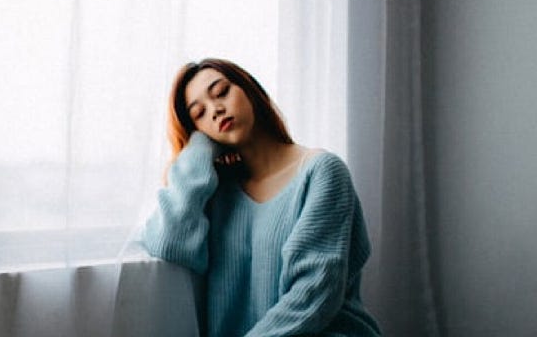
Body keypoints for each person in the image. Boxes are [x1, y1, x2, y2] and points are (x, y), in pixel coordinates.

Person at [142, 58, 380, 336]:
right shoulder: (219, 192)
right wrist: (199, 149)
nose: (216, 110)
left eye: (221, 92)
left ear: (249, 89)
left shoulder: (321, 172)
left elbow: (313, 292)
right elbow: (171, 243)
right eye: (199, 114)